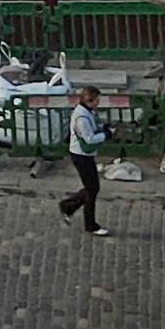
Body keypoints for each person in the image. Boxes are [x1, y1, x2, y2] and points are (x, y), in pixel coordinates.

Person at [56, 92, 112, 233]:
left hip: (83, 155)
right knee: (92, 189)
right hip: (81, 156)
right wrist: (106, 134)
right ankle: (88, 223)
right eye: (97, 101)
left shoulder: (84, 112)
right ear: (89, 101)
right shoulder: (82, 118)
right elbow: (89, 139)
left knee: (91, 188)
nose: (98, 103)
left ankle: (69, 206)